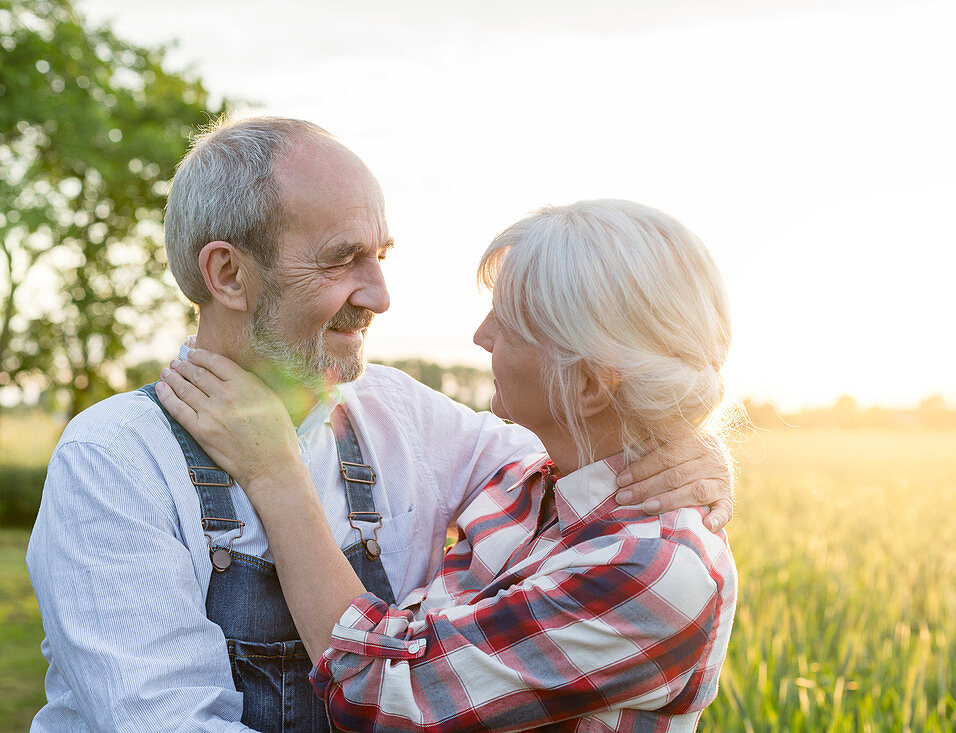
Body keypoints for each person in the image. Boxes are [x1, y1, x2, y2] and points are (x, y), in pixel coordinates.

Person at [26, 117, 734, 732]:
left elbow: (598, 461)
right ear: (230, 276)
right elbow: (167, 720)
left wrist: (687, 445)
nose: (381, 295)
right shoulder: (114, 459)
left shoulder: (402, 415)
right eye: (342, 259)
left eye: (380, 255)